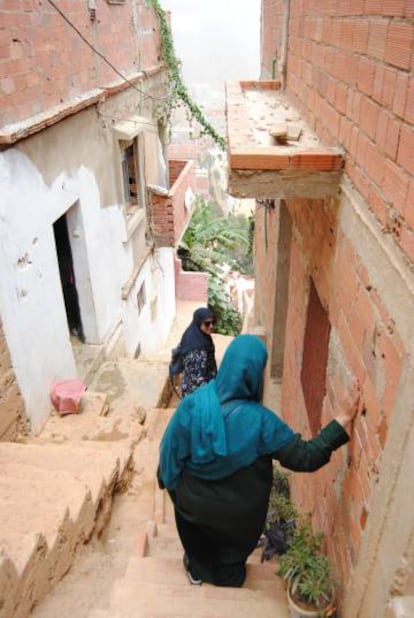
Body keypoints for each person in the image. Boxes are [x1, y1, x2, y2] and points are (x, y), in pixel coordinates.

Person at [158, 334, 360, 588]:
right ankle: (229, 578)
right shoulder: (262, 422)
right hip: (237, 514)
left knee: (197, 539)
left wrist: (176, 491)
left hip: (194, 504)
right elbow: (306, 456)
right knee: (231, 549)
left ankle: (197, 571)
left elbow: (169, 454)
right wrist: (342, 419)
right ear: (256, 374)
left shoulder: (192, 406)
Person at [178, 307, 217, 397]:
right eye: (207, 324)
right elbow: (197, 380)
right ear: (199, 323)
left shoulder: (197, 334)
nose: (211, 326)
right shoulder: (197, 350)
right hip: (197, 395)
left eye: (213, 322)